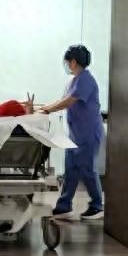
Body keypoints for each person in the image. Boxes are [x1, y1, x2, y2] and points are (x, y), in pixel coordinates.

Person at [41, 44, 104, 221]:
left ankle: (97, 206)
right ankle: (64, 206)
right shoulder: (74, 80)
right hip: (76, 134)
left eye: (68, 61)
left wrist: (46, 110)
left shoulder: (85, 80)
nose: (67, 65)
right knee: (71, 169)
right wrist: (42, 108)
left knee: (87, 170)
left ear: (74, 62)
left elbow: (68, 102)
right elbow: (62, 100)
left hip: (88, 133)